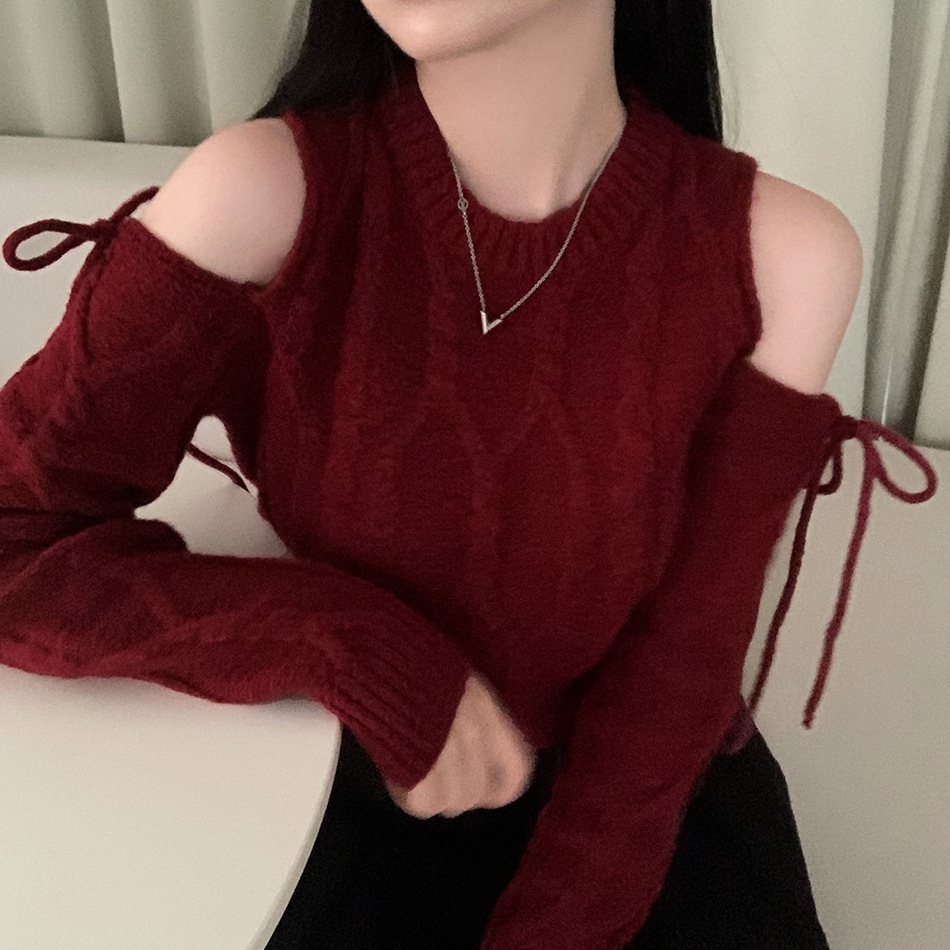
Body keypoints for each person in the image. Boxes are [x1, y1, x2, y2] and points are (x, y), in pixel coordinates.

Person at [0, 1, 938, 949]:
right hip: (339, 794)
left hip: (647, 815)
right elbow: (13, 531)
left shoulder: (782, 253)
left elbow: (682, 664)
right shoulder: (260, 195)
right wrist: (348, 643)